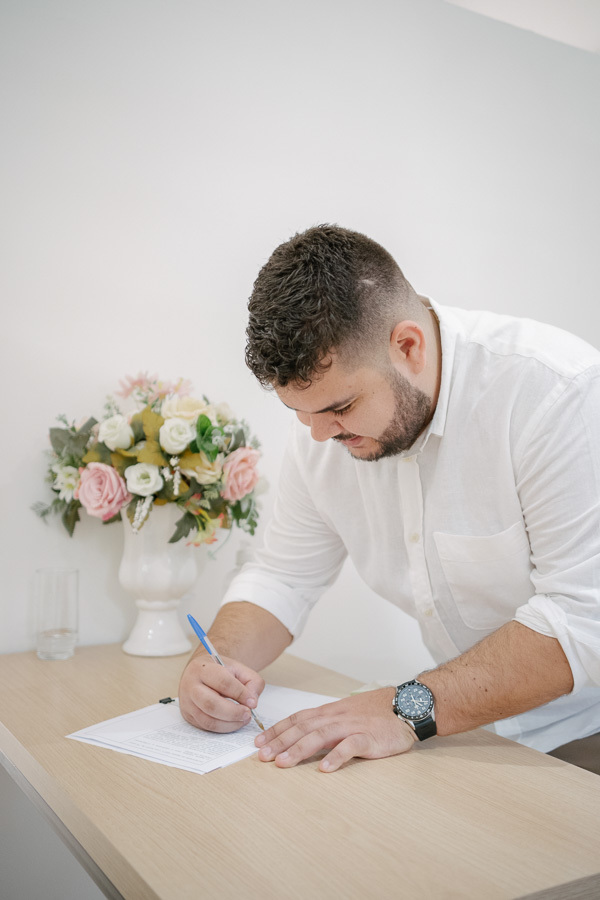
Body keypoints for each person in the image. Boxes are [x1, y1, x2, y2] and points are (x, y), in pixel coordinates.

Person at [179, 224, 600, 774]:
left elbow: (584, 619)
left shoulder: (556, 394)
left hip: (582, 731)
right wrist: (214, 663)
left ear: (408, 346)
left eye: (340, 408)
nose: (319, 436)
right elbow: (283, 576)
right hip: (464, 736)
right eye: (300, 413)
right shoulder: (324, 429)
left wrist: (402, 708)